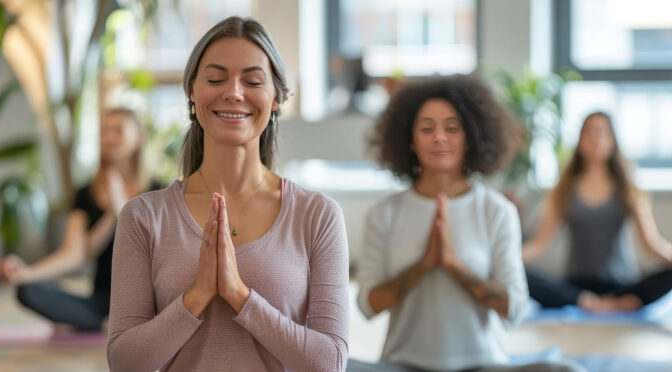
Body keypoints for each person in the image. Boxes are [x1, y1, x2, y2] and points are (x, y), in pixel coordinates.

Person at [106, 16, 349, 372]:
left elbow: (330, 362)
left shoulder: (318, 215)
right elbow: (124, 361)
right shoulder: (143, 216)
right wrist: (197, 296)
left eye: (252, 81)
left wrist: (239, 296)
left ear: (276, 97)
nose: (233, 92)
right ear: (192, 91)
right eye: (216, 79)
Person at [352, 75, 583, 372]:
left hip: (483, 365)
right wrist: (423, 266)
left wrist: (454, 267)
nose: (439, 137)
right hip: (402, 365)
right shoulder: (384, 215)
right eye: (426, 128)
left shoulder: (496, 211)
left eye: (452, 128)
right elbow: (367, 305)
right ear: (410, 140)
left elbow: (513, 309)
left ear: (470, 136)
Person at [0, 108, 160, 331]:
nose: (109, 137)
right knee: (28, 290)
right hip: (103, 301)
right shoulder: (86, 193)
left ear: (138, 138)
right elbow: (76, 254)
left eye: (118, 130)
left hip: (148, 300)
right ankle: (105, 321)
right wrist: (25, 273)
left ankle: (126, 320)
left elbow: (159, 254)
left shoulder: (159, 190)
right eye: (104, 131)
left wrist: (123, 211)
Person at [523, 112, 672, 311]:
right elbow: (539, 244)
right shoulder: (564, 189)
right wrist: (504, 258)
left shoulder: (628, 188)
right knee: (521, 274)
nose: (596, 139)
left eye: (602, 133)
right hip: (576, 287)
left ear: (613, 140)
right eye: (589, 133)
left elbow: (651, 244)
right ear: (580, 140)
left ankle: (612, 302)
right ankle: (595, 303)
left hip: (621, 285)